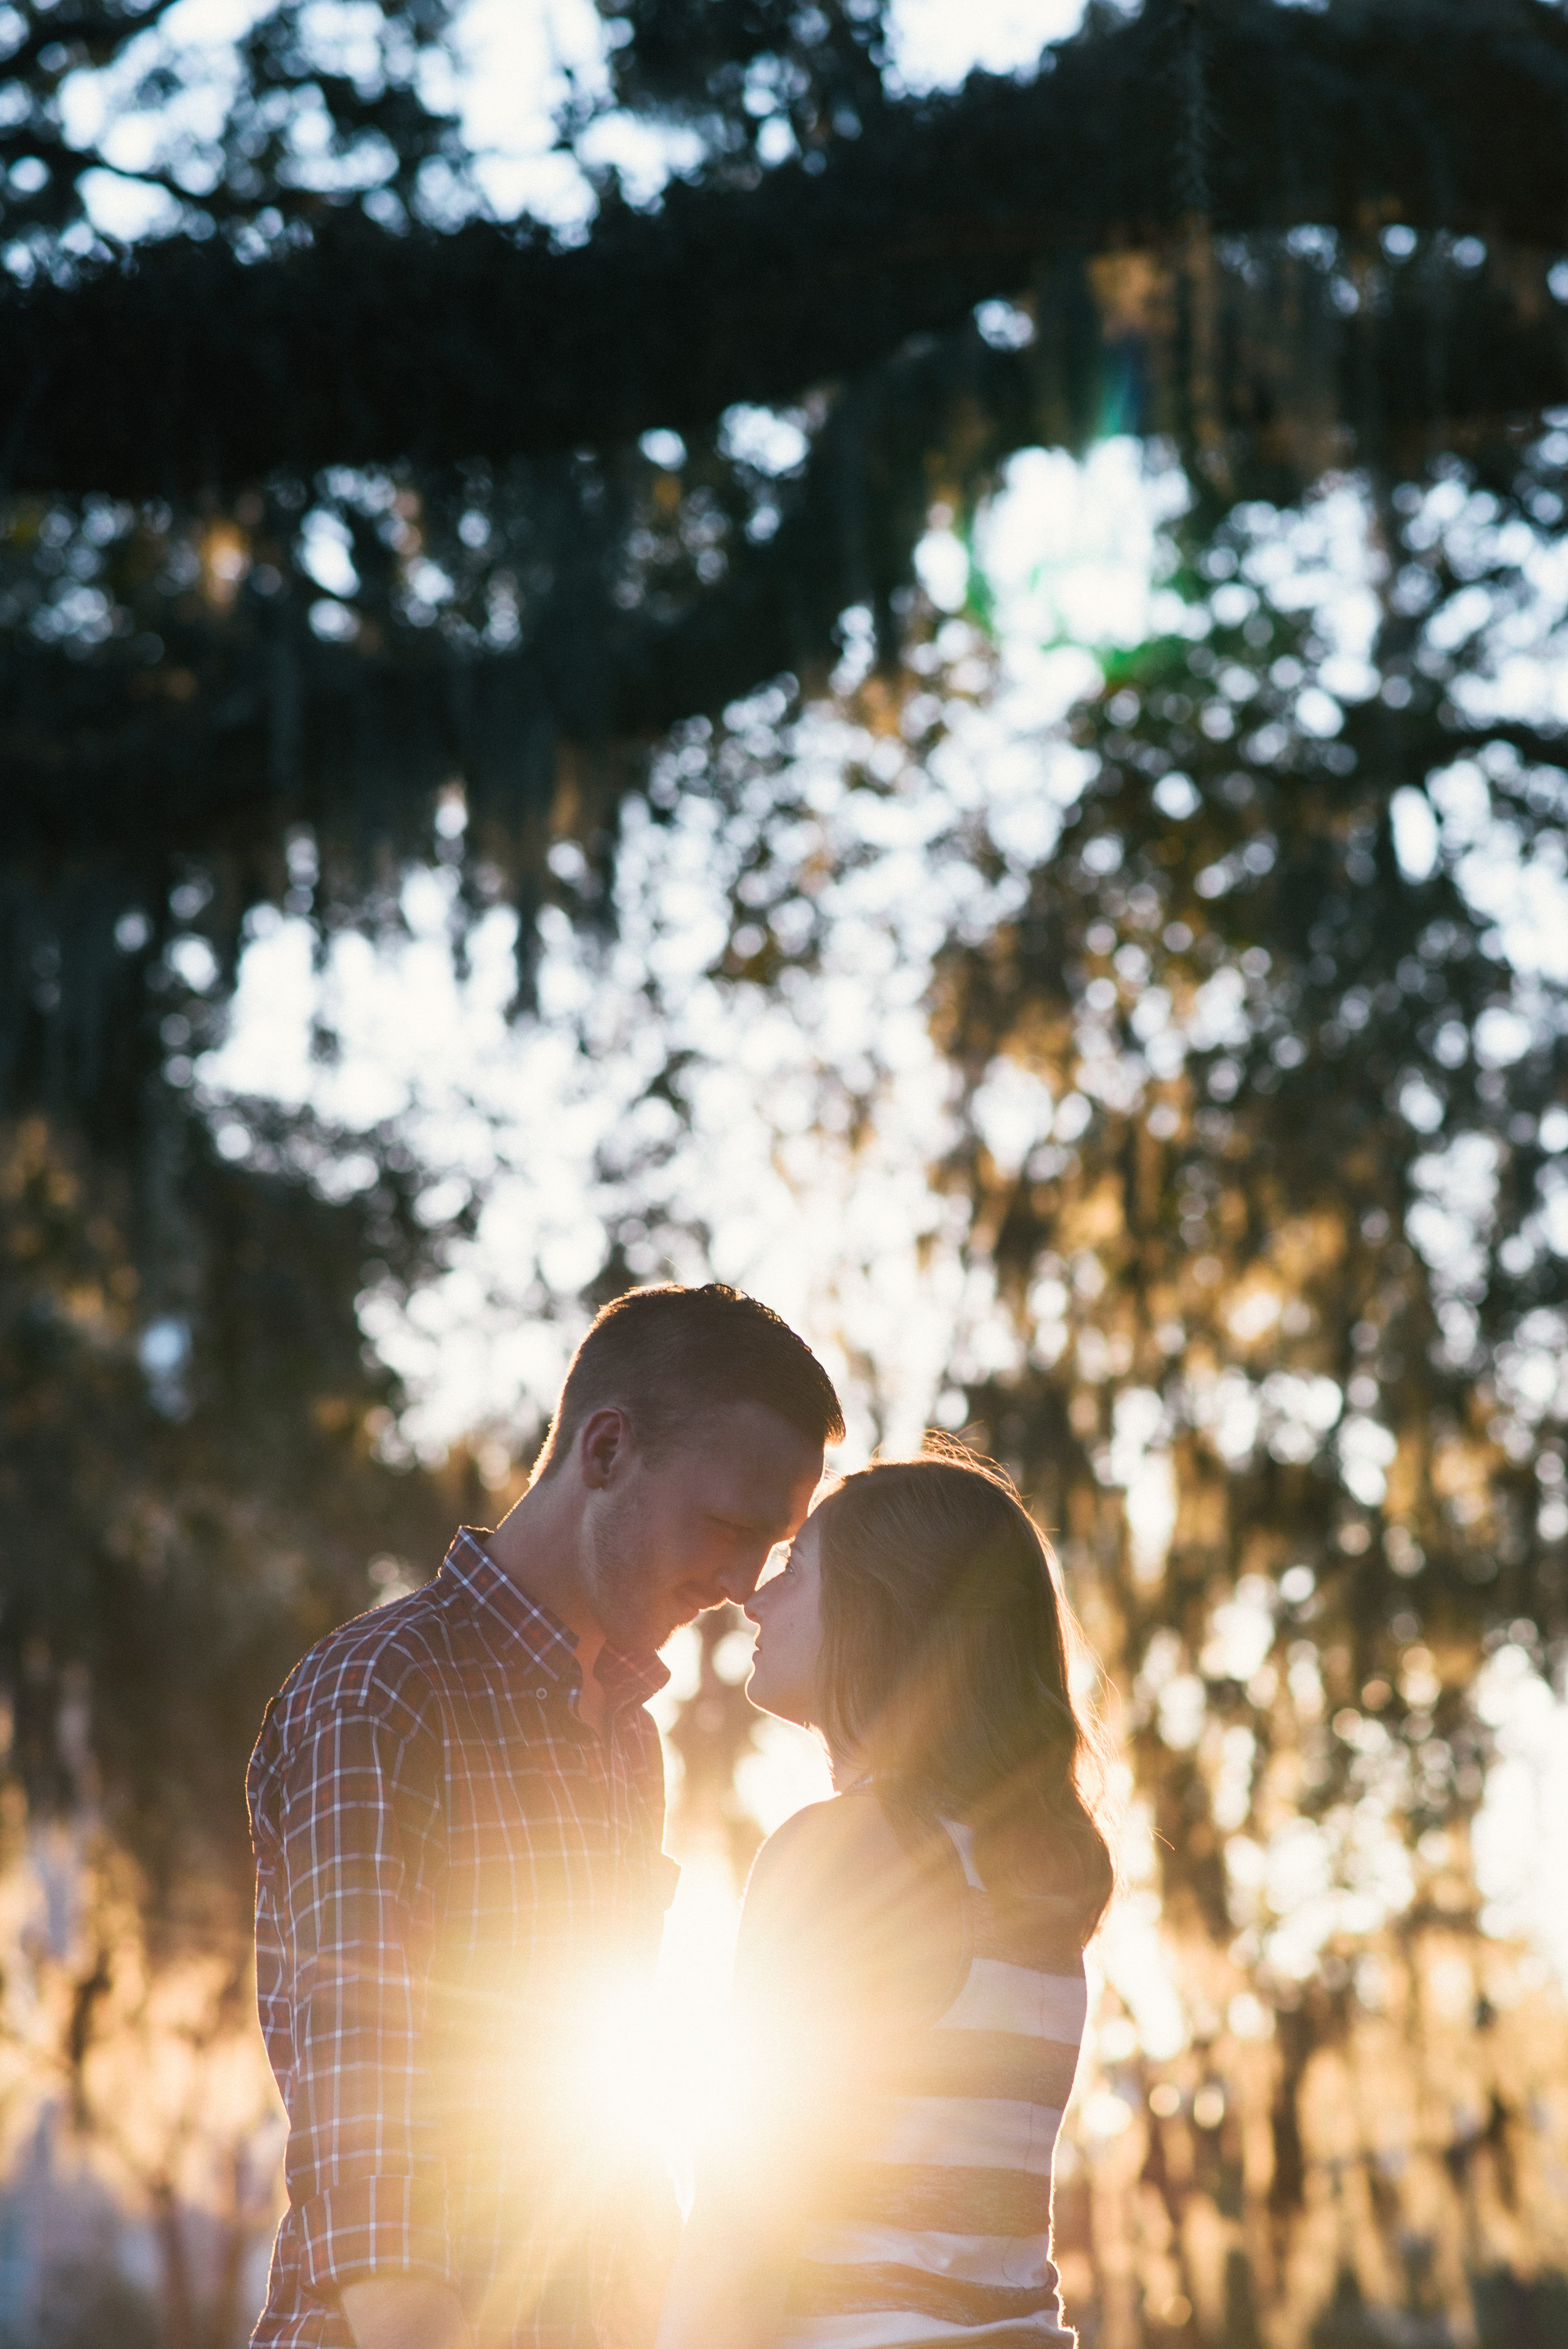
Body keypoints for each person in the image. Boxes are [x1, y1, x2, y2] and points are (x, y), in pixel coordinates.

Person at [248, 1282, 843, 2349]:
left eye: (774, 1544)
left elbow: (607, 2121)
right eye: (728, 1525)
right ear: (606, 1450)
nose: (744, 1581)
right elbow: (365, 2159)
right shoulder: (382, 1690)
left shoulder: (624, 1739)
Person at [655, 1445, 1116, 2349]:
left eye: (796, 1566)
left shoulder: (839, 1852)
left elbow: (744, 2219)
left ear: (878, 1607)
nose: (756, 1595)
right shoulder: (1029, 1881)